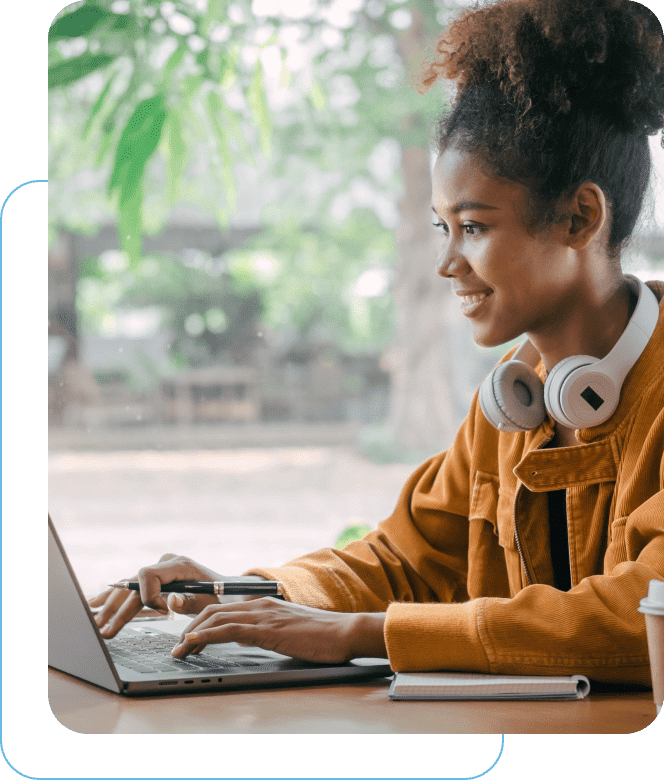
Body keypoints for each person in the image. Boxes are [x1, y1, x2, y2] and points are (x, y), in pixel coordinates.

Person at [90, 0, 664, 684]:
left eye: (474, 227)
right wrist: (252, 593)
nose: (447, 263)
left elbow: (638, 613)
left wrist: (364, 634)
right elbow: (404, 559)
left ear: (579, 216)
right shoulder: (515, 403)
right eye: (441, 228)